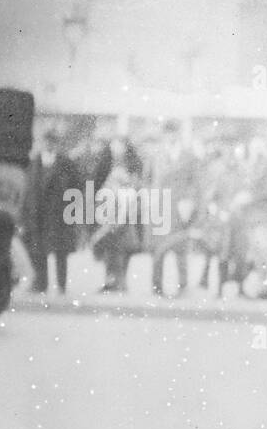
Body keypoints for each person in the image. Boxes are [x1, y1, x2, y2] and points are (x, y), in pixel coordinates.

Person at [20, 128, 81, 295]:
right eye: (46, 141)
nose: (49, 144)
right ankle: (41, 284)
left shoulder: (66, 163)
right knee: (38, 251)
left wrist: (73, 212)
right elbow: (27, 190)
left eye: (53, 141)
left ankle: (62, 285)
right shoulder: (33, 163)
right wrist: (25, 214)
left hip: (59, 215)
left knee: (61, 252)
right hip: (37, 214)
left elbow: (77, 189)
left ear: (57, 143)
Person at [149, 123, 205, 298]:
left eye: (173, 134)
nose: (170, 137)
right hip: (161, 207)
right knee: (159, 249)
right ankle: (157, 286)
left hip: (180, 208)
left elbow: (195, 183)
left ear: (178, 135)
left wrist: (188, 202)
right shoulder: (157, 156)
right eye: (167, 134)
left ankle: (183, 286)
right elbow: (148, 180)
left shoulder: (189, 157)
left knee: (180, 248)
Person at [89, 135, 144, 293]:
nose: (116, 149)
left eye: (119, 145)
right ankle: (110, 280)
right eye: (114, 145)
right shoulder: (105, 162)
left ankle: (121, 280)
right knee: (109, 247)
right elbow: (96, 182)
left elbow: (137, 185)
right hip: (107, 210)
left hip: (127, 210)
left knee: (124, 247)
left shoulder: (133, 163)